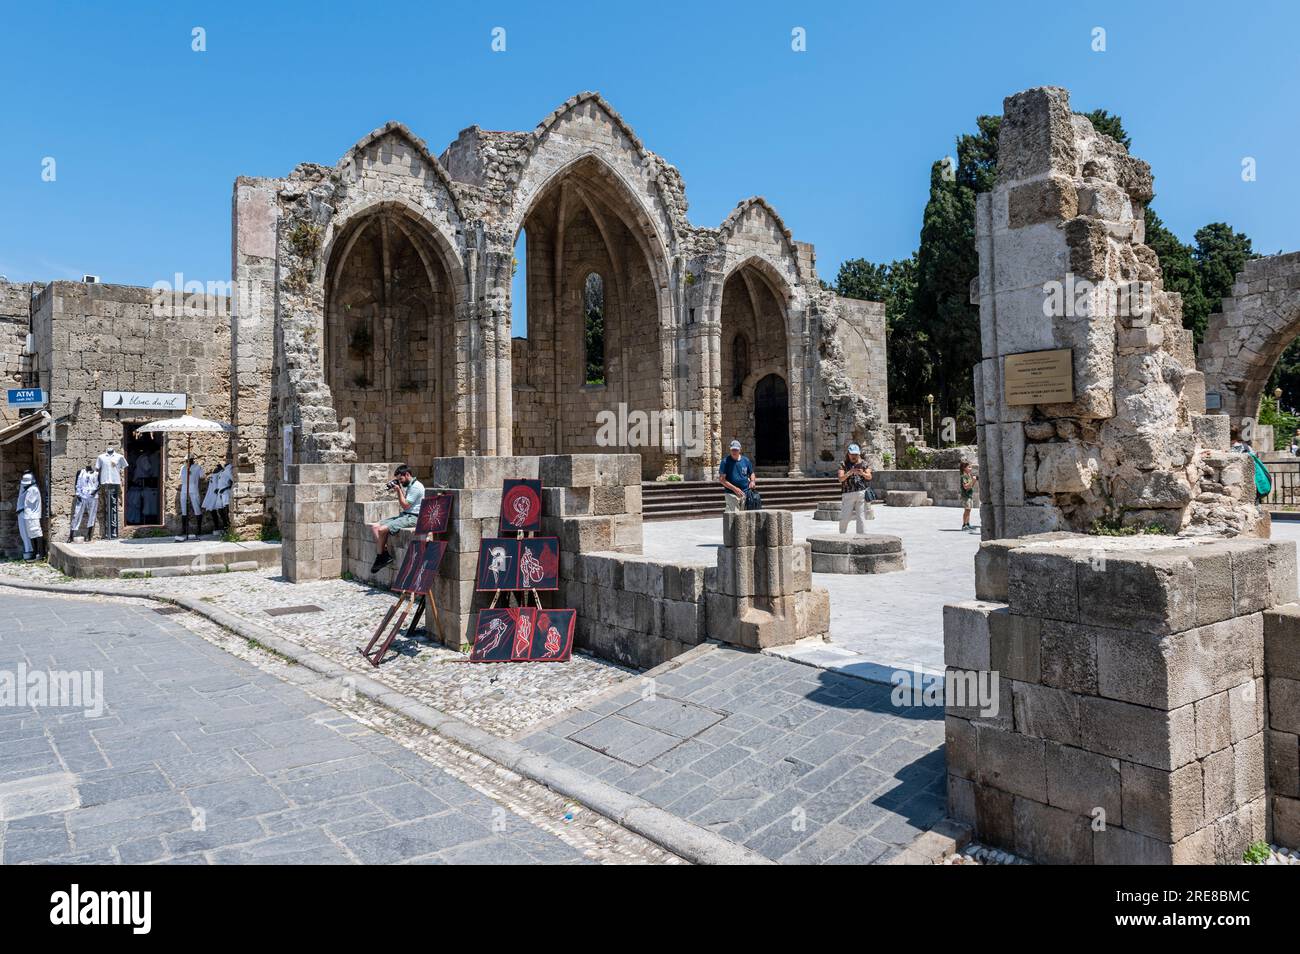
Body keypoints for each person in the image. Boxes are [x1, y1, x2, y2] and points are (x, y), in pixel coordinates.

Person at [370, 464, 424, 573]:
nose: (401, 481)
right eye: (398, 480)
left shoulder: (416, 487)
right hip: (405, 515)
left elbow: (405, 505)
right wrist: (399, 488)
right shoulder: (410, 485)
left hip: (413, 517)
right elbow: (406, 503)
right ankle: (384, 555)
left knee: (381, 530)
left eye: (401, 479)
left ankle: (380, 557)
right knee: (375, 527)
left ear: (407, 474)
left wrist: (398, 490)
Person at [836, 443, 872, 534]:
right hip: (848, 494)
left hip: (861, 493)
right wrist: (849, 473)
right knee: (845, 517)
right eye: (852, 454)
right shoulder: (843, 464)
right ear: (848, 454)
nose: (854, 456)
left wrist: (862, 473)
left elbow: (869, 477)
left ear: (858, 454)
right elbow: (840, 479)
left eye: (856, 454)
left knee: (861, 517)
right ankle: (842, 535)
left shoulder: (864, 463)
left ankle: (861, 537)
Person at [95, 445, 127, 539]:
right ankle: (108, 532)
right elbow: (97, 468)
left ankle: (113, 533)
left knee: (113, 505)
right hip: (105, 482)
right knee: (106, 505)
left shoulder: (119, 457)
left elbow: (123, 467)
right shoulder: (101, 457)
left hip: (115, 482)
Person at [718, 439, 757, 513]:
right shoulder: (725, 462)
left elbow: (751, 473)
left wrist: (752, 481)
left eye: (736, 449)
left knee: (744, 516)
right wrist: (734, 488)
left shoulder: (746, 460)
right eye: (732, 449)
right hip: (731, 493)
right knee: (734, 516)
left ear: (740, 450)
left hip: (745, 493)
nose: (734, 451)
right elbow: (722, 479)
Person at [176, 455, 205, 541]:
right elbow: (180, 477)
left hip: (193, 488)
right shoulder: (183, 468)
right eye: (186, 460)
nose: (187, 462)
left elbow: (202, 477)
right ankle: (184, 529)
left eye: (189, 460)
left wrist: (193, 473)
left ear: (192, 460)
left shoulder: (198, 467)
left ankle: (199, 528)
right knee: (183, 509)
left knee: (196, 508)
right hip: (184, 488)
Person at [16, 472, 43, 560]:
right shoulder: (29, 489)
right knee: (32, 535)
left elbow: (28, 502)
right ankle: (35, 553)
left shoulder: (33, 489)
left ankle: (40, 553)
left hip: (33, 515)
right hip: (29, 515)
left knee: (37, 533)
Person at [203, 457, 234, 535]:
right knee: (220, 511)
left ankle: (228, 528)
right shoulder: (223, 470)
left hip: (225, 492)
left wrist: (227, 487)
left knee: (226, 511)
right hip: (220, 492)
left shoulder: (229, 470)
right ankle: (225, 527)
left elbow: (233, 481)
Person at [70, 462, 99, 542]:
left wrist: (94, 492)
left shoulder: (96, 474)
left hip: (92, 496)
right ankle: (71, 535)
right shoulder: (80, 472)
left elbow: (99, 485)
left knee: (92, 515)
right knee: (77, 514)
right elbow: (76, 483)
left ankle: (89, 535)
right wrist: (77, 494)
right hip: (81, 495)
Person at [960, 460, 979, 532]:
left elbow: (971, 486)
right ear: (964, 468)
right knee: (967, 510)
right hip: (965, 496)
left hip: (969, 495)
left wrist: (973, 481)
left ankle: (968, 524)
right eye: (969, 467)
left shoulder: (968, 476)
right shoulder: (964, 476)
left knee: (969, 510)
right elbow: (965, 486)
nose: (971, 469)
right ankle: (964, 525)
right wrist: (973, 481)